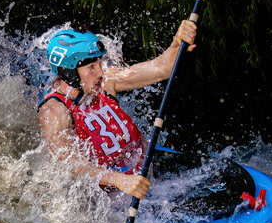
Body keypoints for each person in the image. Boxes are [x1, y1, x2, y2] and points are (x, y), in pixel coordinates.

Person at [38, 20, 196, 198]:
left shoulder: (106, 82)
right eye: (91, 67)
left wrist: (176, 43)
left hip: (148, 167)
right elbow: (66, 163)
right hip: (113, 195)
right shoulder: (54, 111)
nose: (100, 73)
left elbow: (161, 69)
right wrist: (120, 180)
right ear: (70, 72)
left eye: (99, 63)